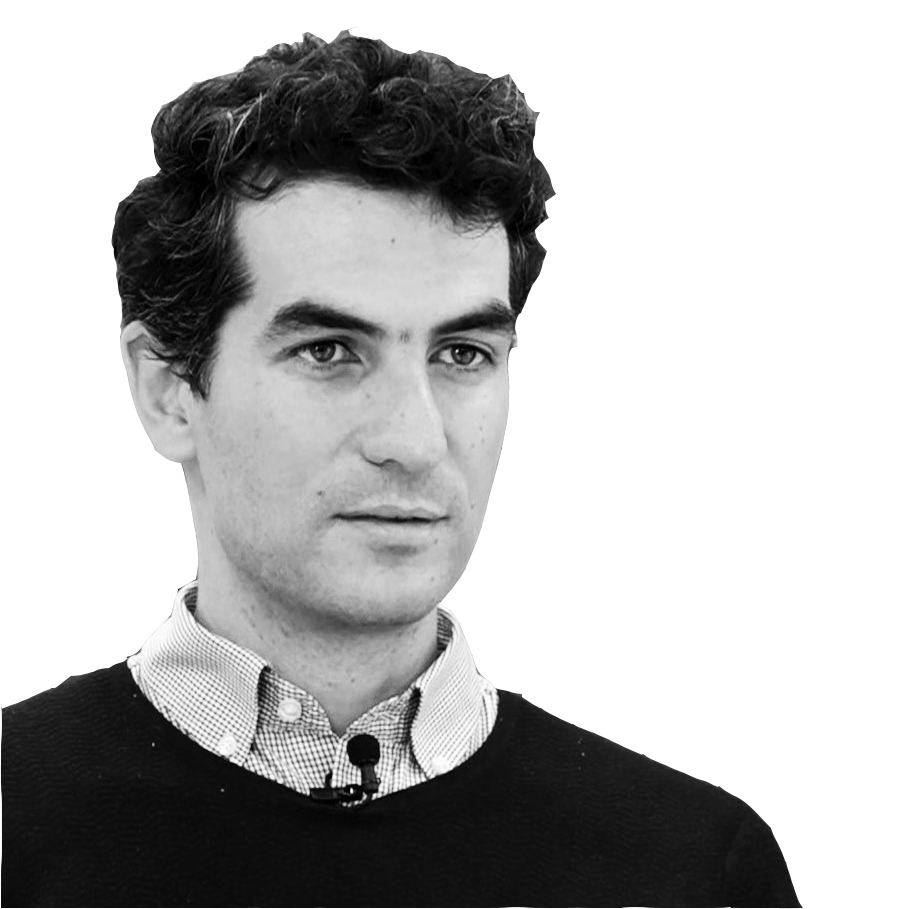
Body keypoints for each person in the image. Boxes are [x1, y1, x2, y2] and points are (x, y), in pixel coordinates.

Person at [2, 30, 799, 908]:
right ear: (168, 390)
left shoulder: (693, 869)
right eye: (328, 350)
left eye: (462, 353)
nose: (415, 440)